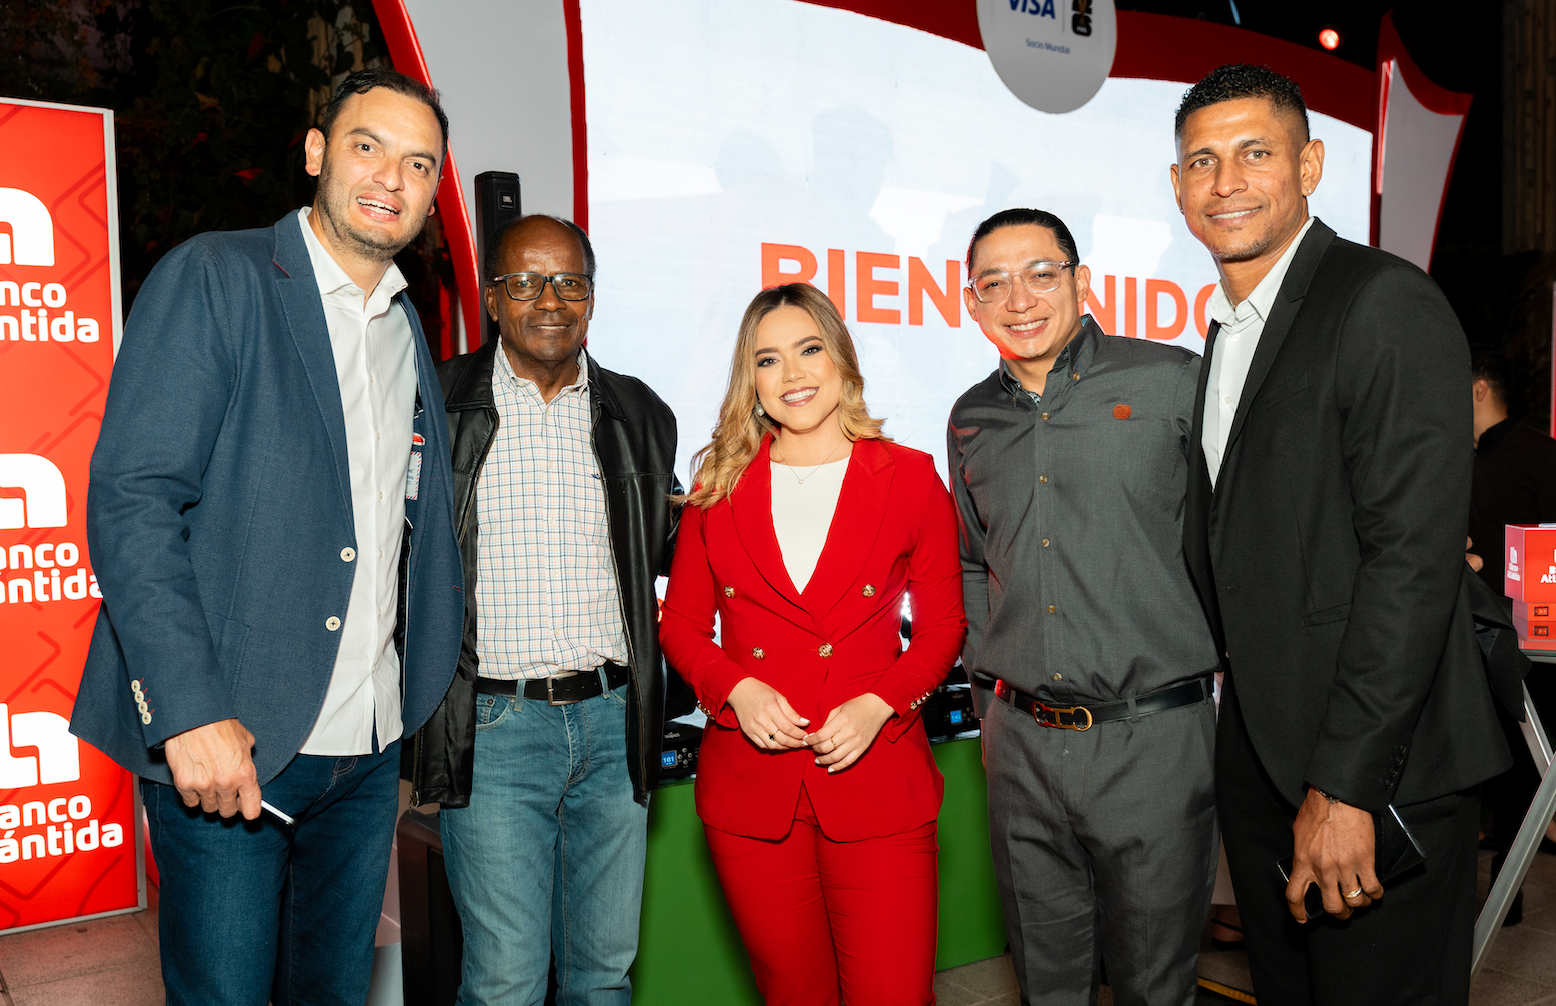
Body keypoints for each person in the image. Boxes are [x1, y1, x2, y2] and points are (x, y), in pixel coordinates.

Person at [69, 69, 464, 1003]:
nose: (392, 178)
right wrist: (188, 712)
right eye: (368, 146)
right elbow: (132, 501)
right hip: (231, 741)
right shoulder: (219, 277)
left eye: (419, 164)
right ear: (317, 152)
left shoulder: (404, 325)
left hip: (366, 750)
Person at [1172, 63, 1510, 1005]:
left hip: (1374, 771)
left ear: (1311, 165)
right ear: (1177, 187)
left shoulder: (1381, 301)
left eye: (1254, 153)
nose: (1226, 181)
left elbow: (1412, 561)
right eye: (1202, 161)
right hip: (1263, 756)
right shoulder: (1229, 332)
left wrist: (1348, 786)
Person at [658, 283, 965, 1006]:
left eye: (809, 349)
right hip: (752, 792)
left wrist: (879, 704)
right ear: (751, 380)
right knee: (793, 994)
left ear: (841, 359)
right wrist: (736, 687)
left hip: (877, 779)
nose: (792, 374)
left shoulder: (910, 476)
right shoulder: (718, 486)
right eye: (768, 359)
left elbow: (944, 628)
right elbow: (681, 626)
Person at [948, 208, 1221, 1006]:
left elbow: (1237, 541)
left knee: (1155, 985)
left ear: (1082, 282)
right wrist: (988, 707)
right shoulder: (971, 417)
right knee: (1046, 985)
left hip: (1153, 740)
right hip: (1021, 748)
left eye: (1041, 274)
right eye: (994, 282)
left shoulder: (1172, 381)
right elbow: (974, 564)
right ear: (971, 302)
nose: (1019, 299)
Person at [413, 214, 681, 1005]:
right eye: (526, 283)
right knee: (505, 982)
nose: (551, 301)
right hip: (495, 730)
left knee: (604, 977)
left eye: (570, 283)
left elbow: (665, 550)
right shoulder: (433, 402)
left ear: (591, 297)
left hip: (614, 724)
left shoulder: (641, 413)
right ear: (494, 298)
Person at [1467, 343, 1556, 924]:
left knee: (1524, 764)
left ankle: (1508, 885)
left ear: (1479, 389)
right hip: (1464, 637)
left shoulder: (1540, 456)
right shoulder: (1455, 457)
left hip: (1526, 645)